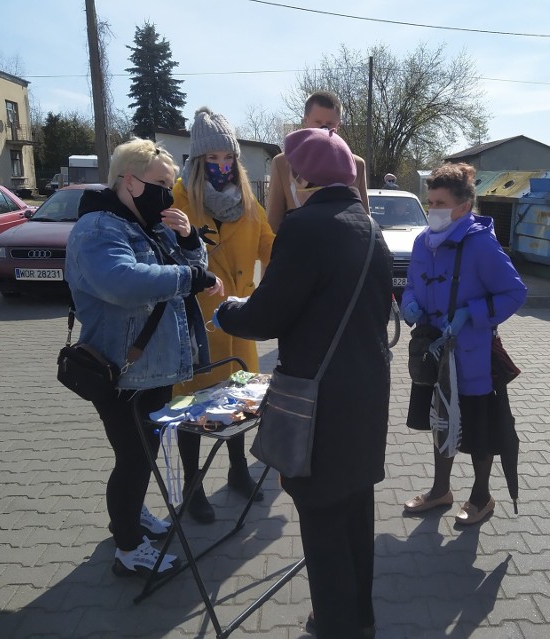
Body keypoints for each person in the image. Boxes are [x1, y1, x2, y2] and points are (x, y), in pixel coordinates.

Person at [215, 128, 392, 639]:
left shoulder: (306, 226)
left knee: (321, 520)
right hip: (364, 392)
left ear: (301, 176)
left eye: (287, 173)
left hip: (320, 399)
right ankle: (360, 617)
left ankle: (336, 626)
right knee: (355, 512)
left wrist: (228, 312)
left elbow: (268, 315)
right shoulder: (367, 224)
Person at [65, 138, 223, 576]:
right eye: (160, 184)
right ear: (130, 182)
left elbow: (186, 265)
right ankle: (128, 549)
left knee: (145, 453)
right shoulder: (100, 229)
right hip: (123, 369)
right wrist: (188, 275)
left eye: (171, 185)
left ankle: (130, 516)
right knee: (133, 459)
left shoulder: (142, 224)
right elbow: (121, 281)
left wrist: (190, 239)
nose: (167, 195)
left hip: (154, 366)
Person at [401, 162, 527, 525]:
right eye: (430, 202)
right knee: (441, 421)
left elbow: (515, 292)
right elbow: (412, 284)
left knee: (478, 431)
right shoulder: (422, 241)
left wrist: (471, 314)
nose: (432, 210)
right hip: (434, 355)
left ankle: (481, 497)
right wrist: (410, 302)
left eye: (439, 203)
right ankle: (441, 490)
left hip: (472, 358)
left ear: (463, 207)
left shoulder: (480, 244)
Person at [172, 108, 275, 523]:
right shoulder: (178, 200)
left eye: (227, 158)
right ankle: (192, 489)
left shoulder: (249, 203)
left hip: (239, 321)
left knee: (237, 404)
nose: (221, 166)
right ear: (198, 161)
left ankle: (236, 472)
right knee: (192, 410)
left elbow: (273, 249)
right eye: (212, 159)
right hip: (194, 323)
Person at [266, 91, 369, 232]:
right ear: (305, 121)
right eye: (318, 123)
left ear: (339, 125)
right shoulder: (283, 163)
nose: (323, 129)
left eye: (329, 124)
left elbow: (363, 220)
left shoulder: (356, 164)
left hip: (342, 248)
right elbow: (273, 222)